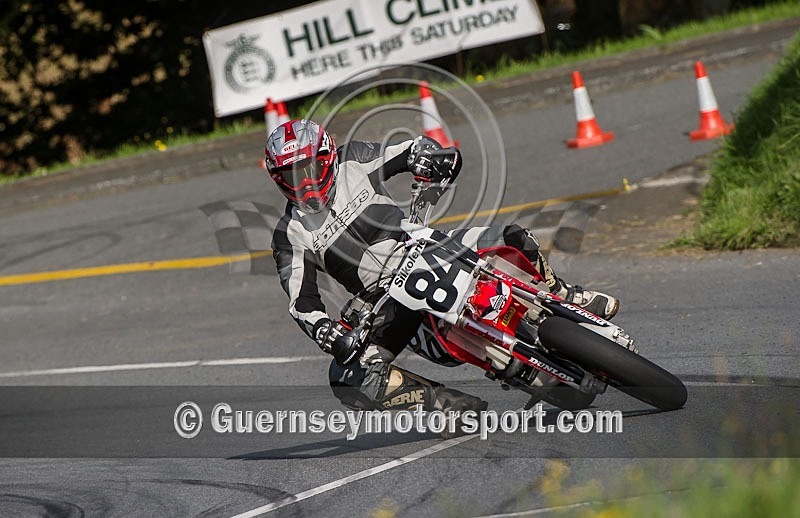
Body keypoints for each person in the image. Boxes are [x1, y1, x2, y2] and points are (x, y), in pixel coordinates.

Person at [265, 119, 619, 416]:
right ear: (278, 179)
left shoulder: (354, 159)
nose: (305, 184)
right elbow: (303, 303)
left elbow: (408, 149)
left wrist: (428, 155)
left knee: (514, 237)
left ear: (328, 156)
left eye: (309, 170)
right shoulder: (289, 235)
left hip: (426, 246)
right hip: (388, 299)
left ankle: (562, 293)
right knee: (349, 378)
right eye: (292, 177)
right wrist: (329, 333)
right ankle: (444, 406)